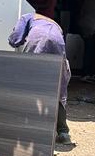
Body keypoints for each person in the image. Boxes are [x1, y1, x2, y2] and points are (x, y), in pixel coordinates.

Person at [8, 13, 72, 145]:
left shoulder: (26, 17)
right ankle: (63, 133)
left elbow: (15, 40)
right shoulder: (52, 23)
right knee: (57, 88)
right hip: (58, 42)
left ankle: (26, 127)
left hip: (38, 39)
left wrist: (16, 39)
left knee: (28, 83)